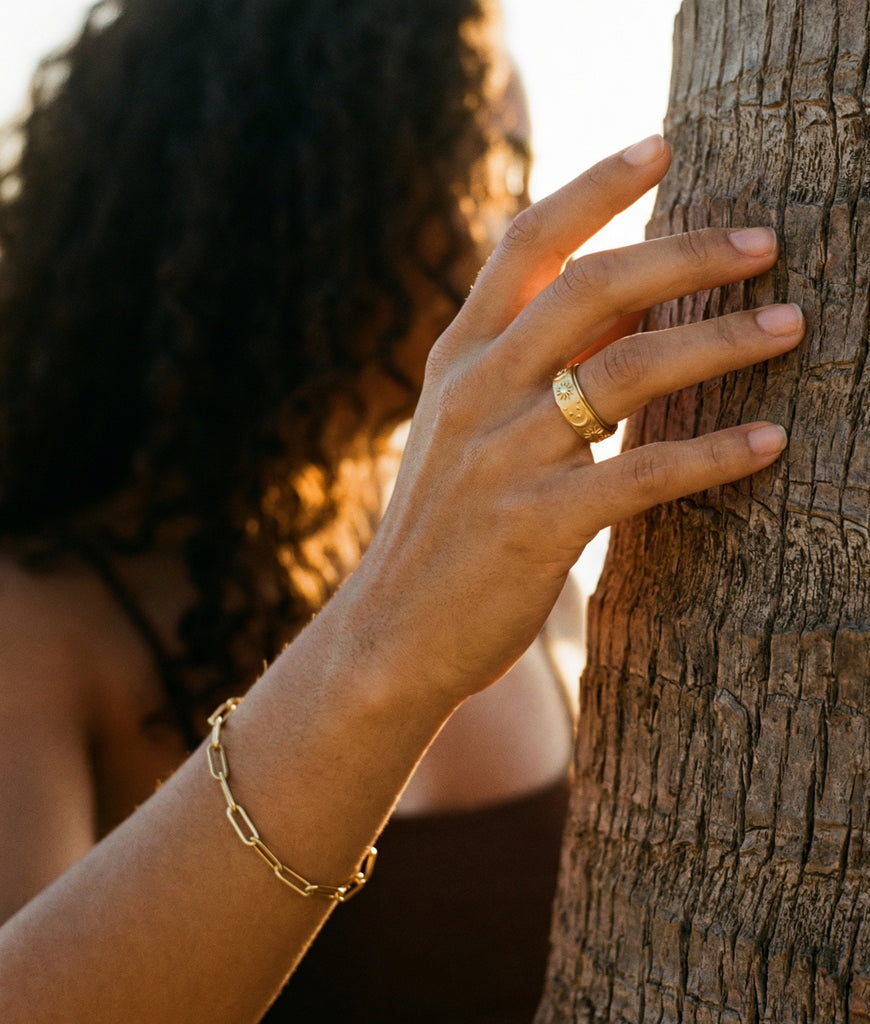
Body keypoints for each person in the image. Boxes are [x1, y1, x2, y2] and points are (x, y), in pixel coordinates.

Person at [0, 0, 805, 1020]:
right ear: (296, 189)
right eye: (488, 152)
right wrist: (389, 640)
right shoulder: (36, 622)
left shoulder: (515, 560)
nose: (517, 216)